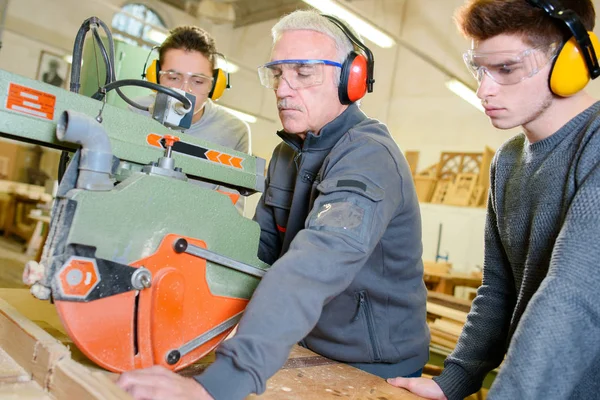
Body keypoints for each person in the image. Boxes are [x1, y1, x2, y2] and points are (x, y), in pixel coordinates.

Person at [117, 10, 429, 400]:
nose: (283, 89)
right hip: (302, 345)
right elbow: (256, 252)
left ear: (351, 79)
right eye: (278, 74)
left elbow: (311, 268)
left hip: (373, 367)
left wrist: (219, 384)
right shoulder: (287, 154)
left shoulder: (370, 157)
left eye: (303, 72)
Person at [388, 0, 600, 399]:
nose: (484, 89)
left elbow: (571, 297)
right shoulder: (509, 160)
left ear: (571, 61)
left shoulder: (596, 146)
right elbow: (498, 289)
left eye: (505, 69)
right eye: (480, 69)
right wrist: (453, 381)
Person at [131, 26, 250, 212]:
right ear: (155, 77)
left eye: (198, 81)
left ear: (215, 85)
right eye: (173, 77)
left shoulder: (234, 132)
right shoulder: (133, 112)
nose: (184, 91)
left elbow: (230, 213)